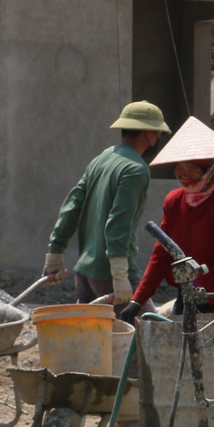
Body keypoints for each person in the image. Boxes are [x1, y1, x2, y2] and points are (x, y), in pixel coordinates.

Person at [45, 101, 171, 305]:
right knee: (147, 331)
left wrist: (55, 252)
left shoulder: (103, 158)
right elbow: (119, 223)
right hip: (111, 275)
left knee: (92, 336)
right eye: (157, 133)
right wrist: (120, 277)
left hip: (85, 273)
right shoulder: (135, 169)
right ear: (147, 133)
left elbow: (72, 206)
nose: (158, 138)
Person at [128, 117, 214, 317]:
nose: (185, 177)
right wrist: (136, 301)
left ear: (211, 170)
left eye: (193, 170)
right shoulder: (173, 202)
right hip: (188, 293)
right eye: (180, 169)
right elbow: (161, 256)